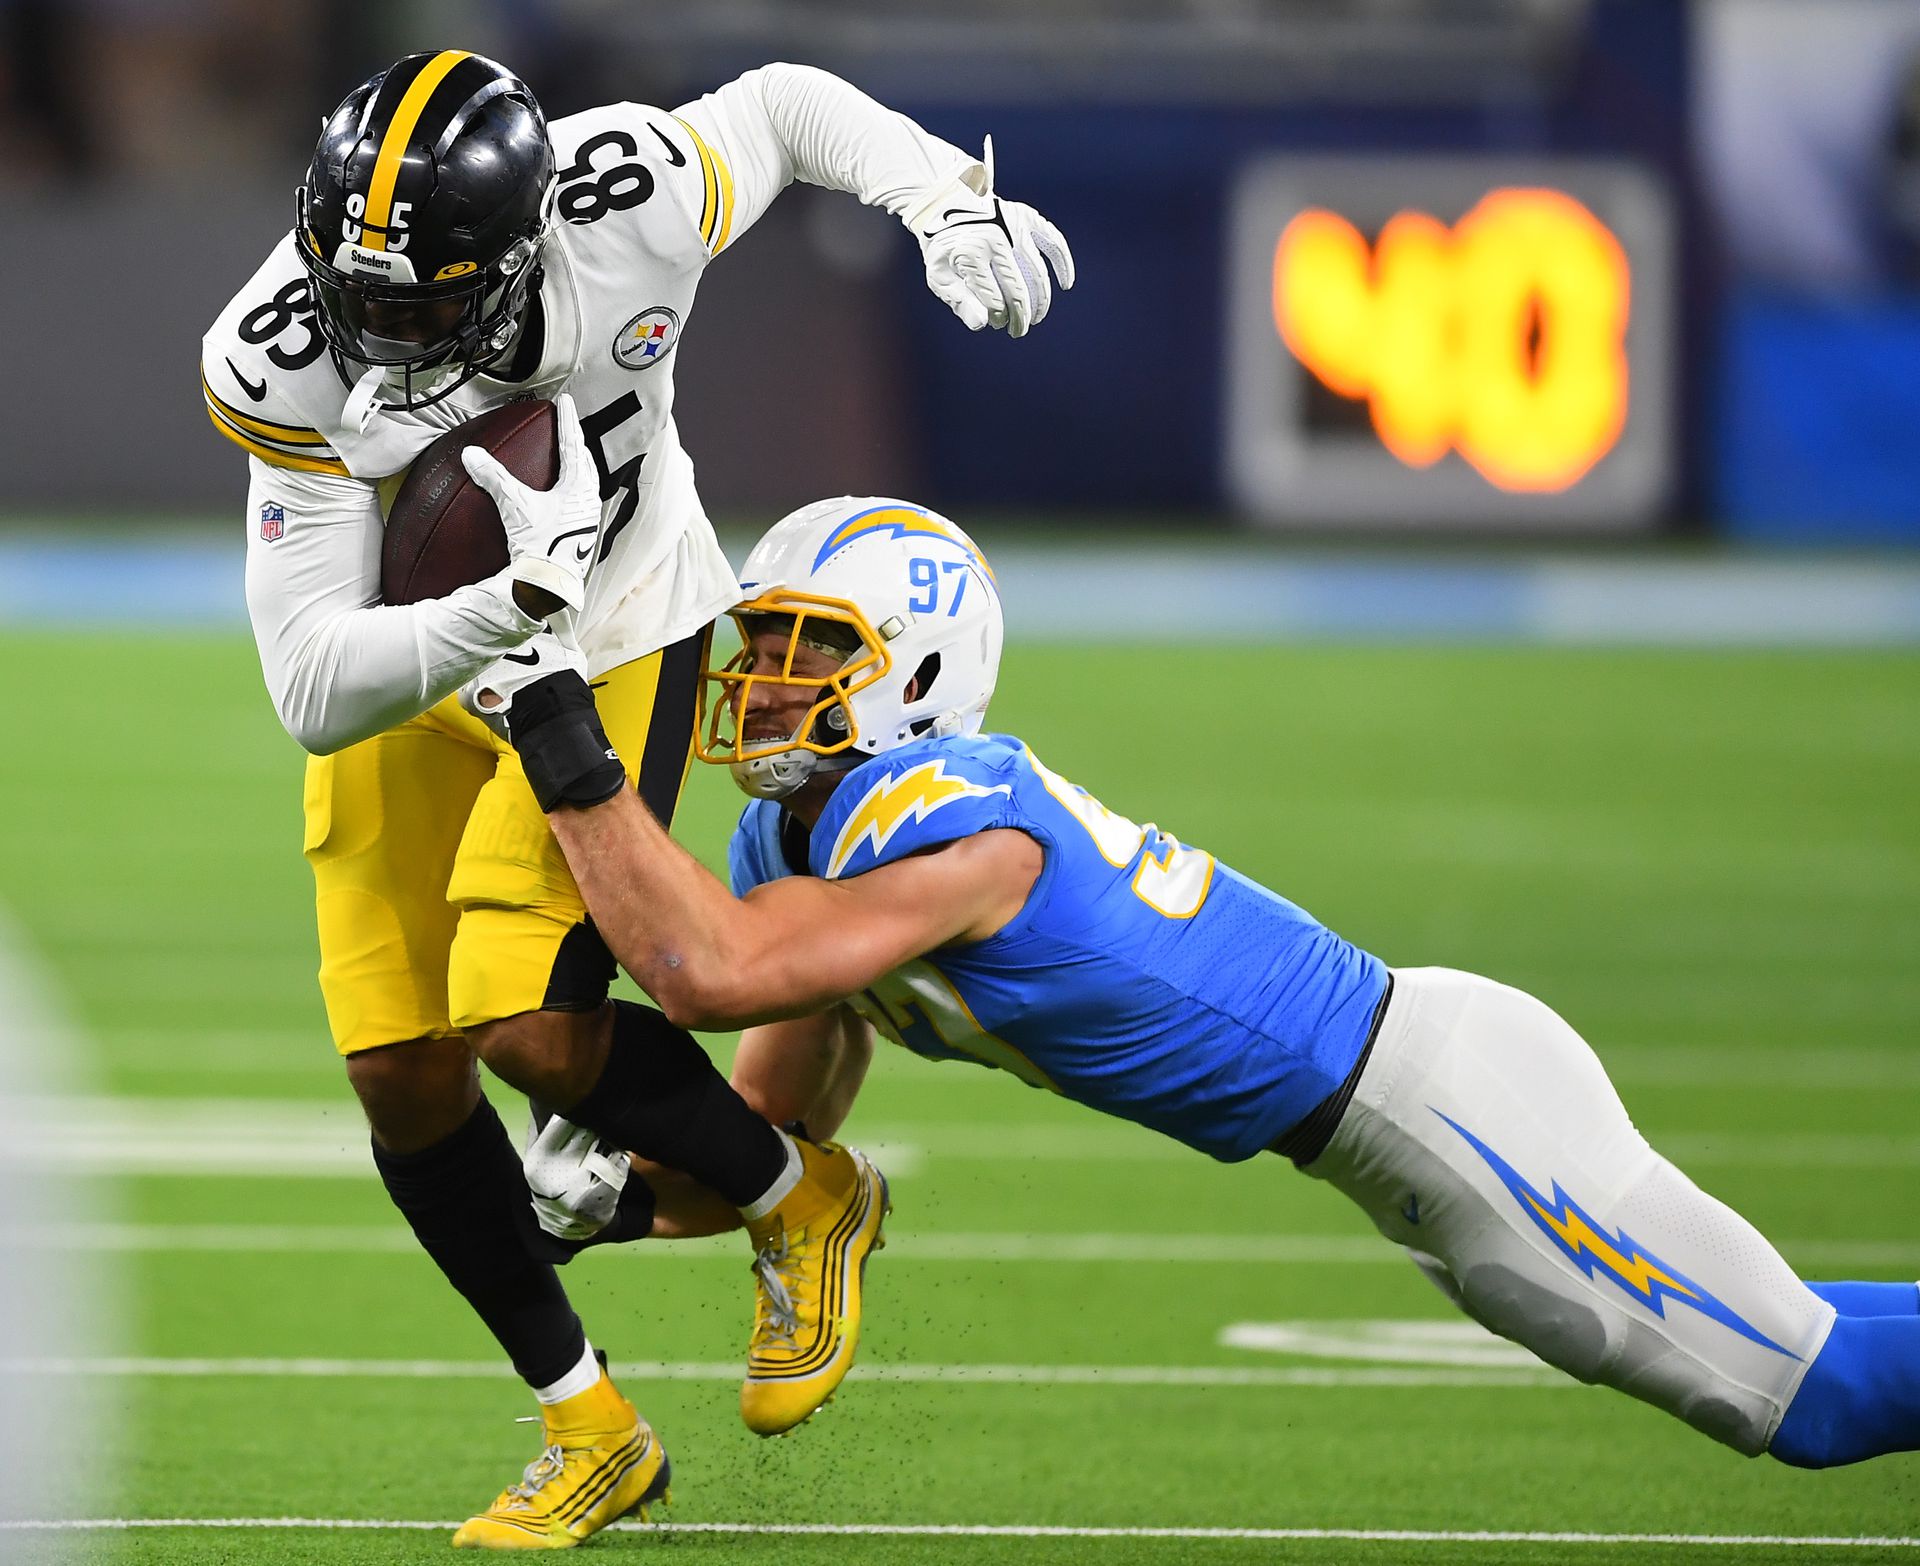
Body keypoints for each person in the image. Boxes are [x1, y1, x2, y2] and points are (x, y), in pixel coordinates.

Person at [470, 495, 1920, 1475]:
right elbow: (777, 1144)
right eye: (759, 642)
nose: (767, 679)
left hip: (1445, 1107)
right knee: (1799, 1340)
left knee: (1808, 1403)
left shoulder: (961, 823)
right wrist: (634, 1198)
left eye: (809, 647)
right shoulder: (803, 831)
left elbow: (702, 974)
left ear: (914, 673)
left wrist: (560, 734)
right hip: (1397, 1123)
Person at [199, 50, 1073, 1549]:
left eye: (426, 304)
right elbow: (313, 680)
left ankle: (802, 1195)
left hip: (611, 621)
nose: (386, 335)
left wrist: (941, 200)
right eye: (366, 297)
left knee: (523, 1021)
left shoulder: (628, 196)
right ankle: (589, 1423)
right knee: (399, 1069)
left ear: (530, 240)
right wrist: (493, 607)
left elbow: (791, 106)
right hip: (410, 653)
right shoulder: (277, 350)